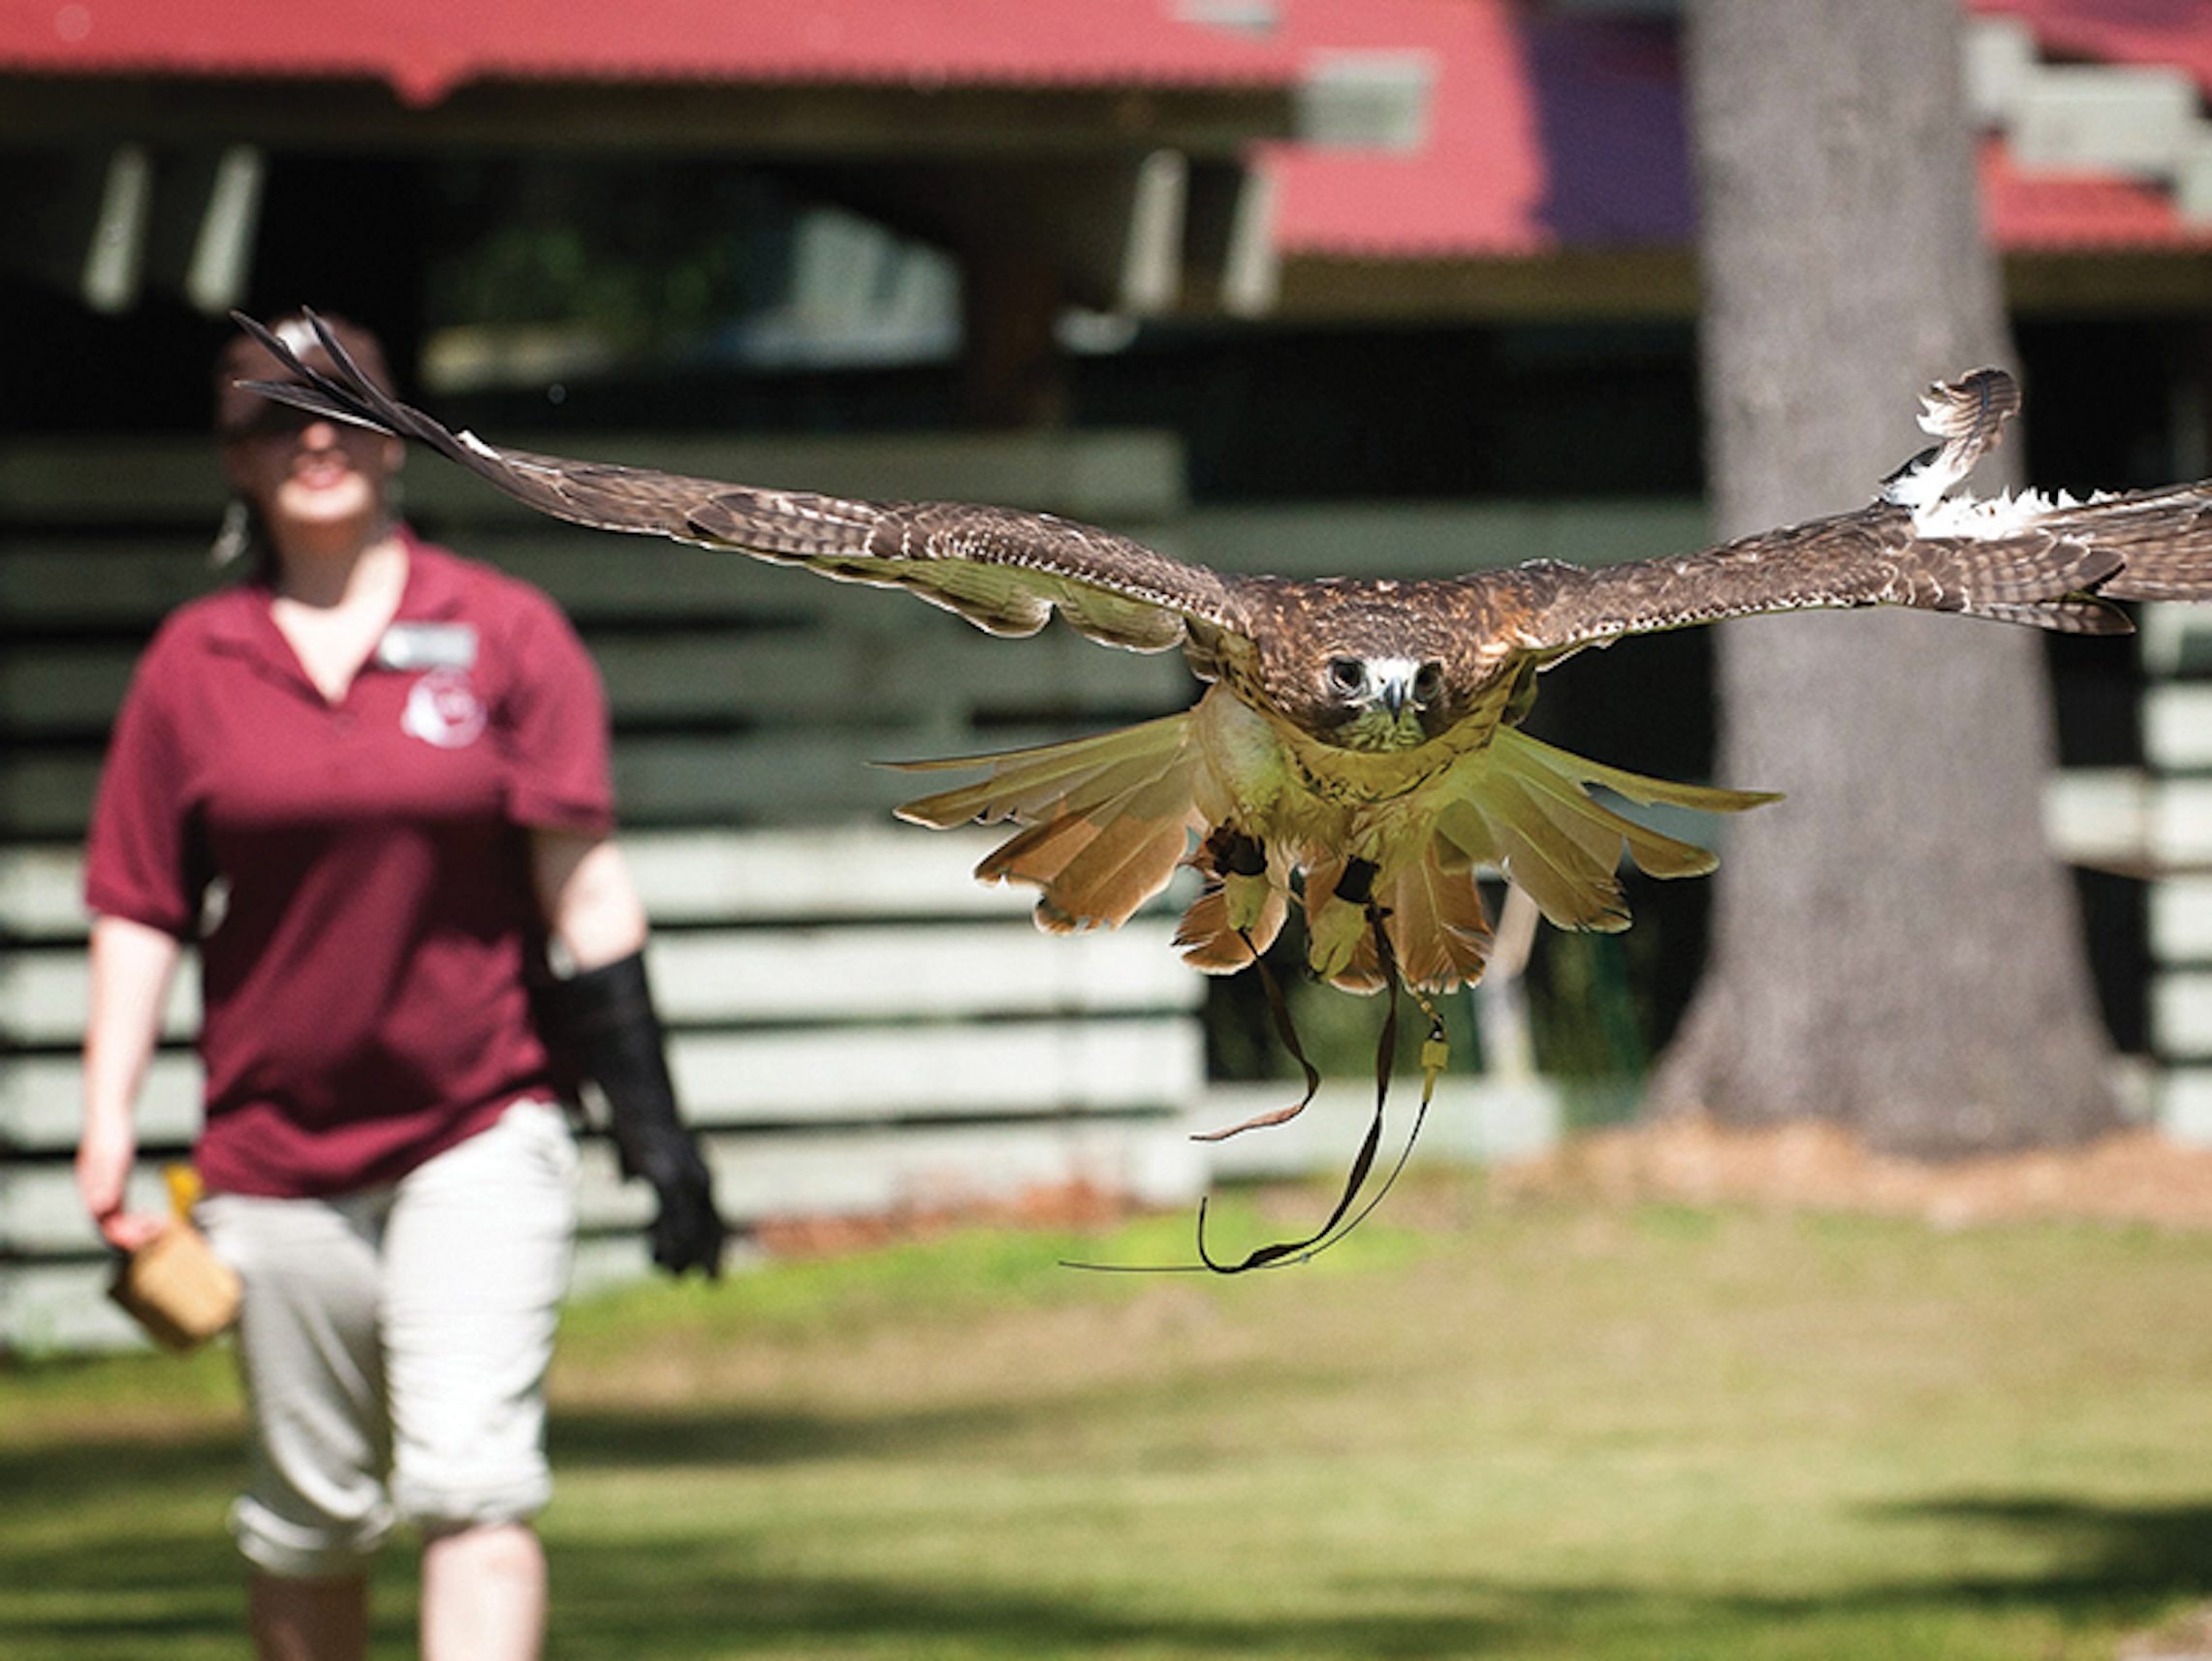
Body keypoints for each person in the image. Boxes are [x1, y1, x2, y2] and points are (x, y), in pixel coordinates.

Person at [75, 314, 728, 1661]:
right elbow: (139, 908)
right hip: (269, 1155)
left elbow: (585, 896)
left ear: (402, 438)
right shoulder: (190, 667)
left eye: (345, 408)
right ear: (233, 458)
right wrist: (104, 1127)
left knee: (472, 1482)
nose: (313, 438)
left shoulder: (503, 632)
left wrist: (658, 1132)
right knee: (310, 1516)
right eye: (273, 414)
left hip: (477, 1126)